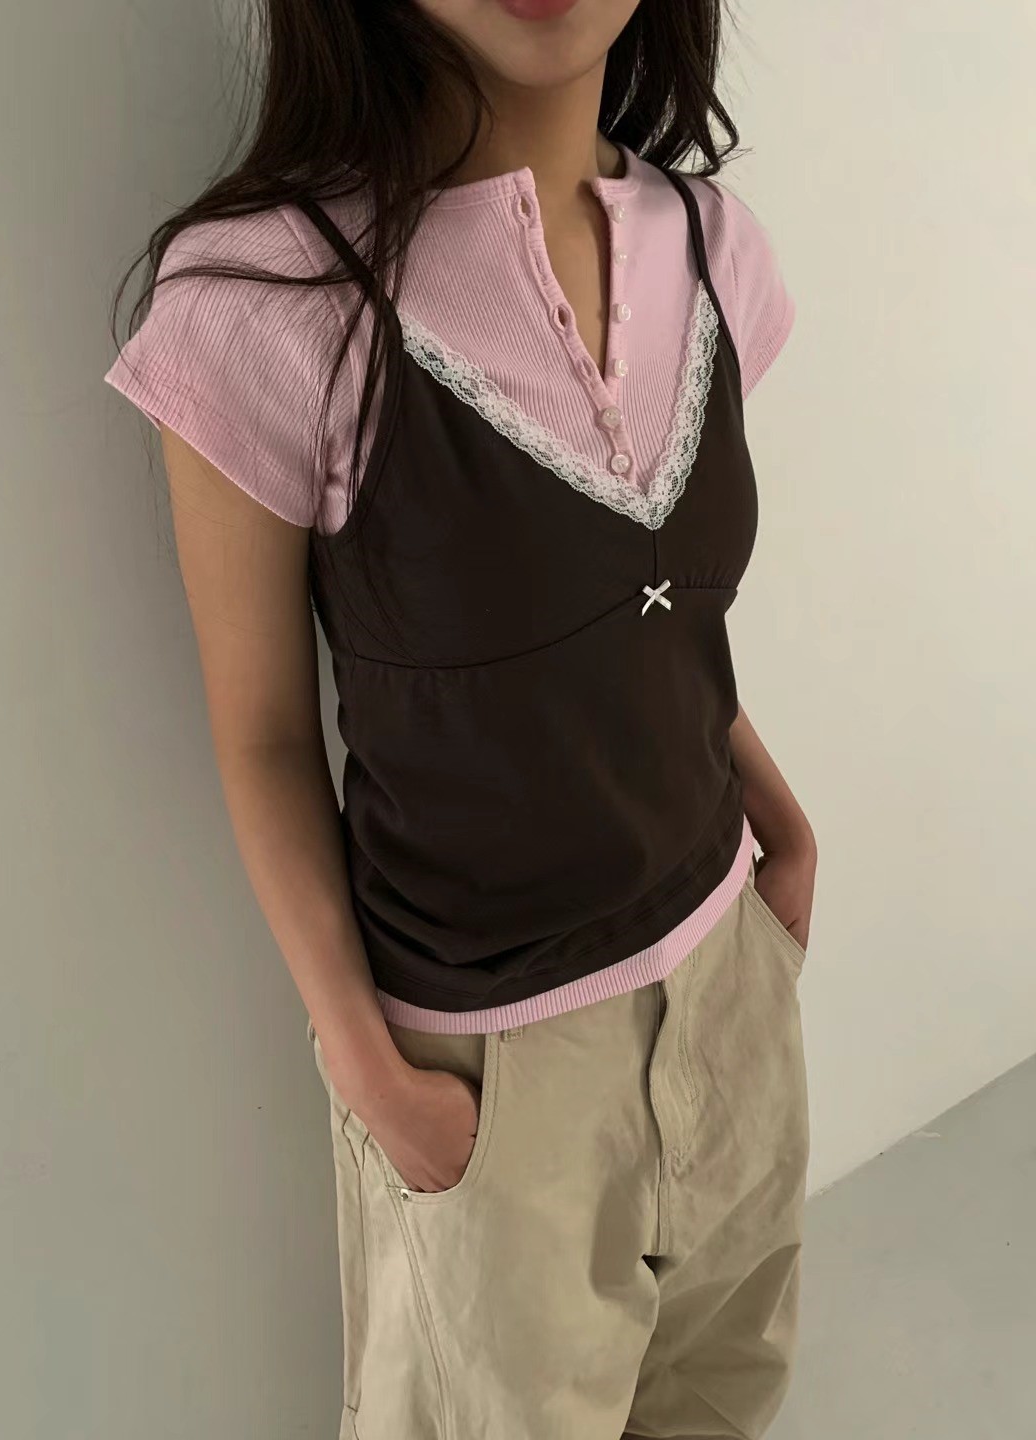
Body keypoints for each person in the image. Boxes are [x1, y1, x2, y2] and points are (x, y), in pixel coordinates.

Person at [105, 1, 818, 1435]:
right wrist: (368, 1069)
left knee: (723, 1405)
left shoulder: (713, 248)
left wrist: (782, 833)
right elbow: (263, 737)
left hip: (729, 992)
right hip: (495, 1073)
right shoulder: (270, 303)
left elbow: (663, 618)